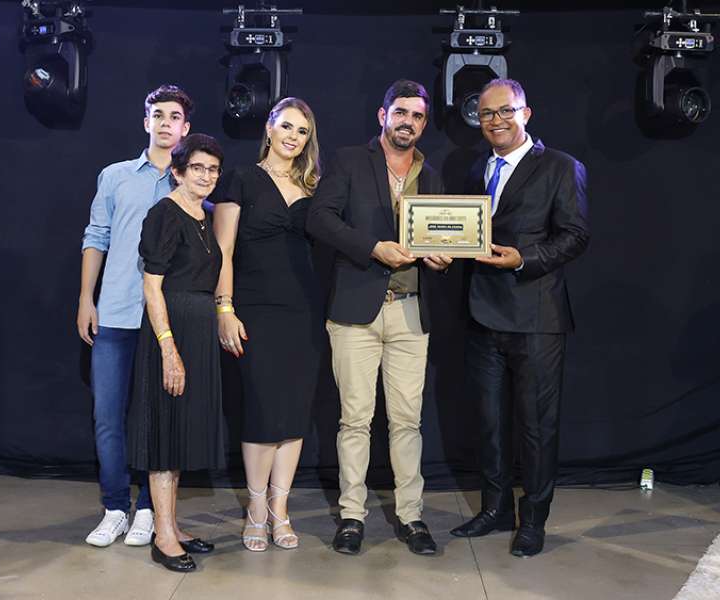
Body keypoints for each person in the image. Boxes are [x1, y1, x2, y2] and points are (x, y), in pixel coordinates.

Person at [306, 80, 452, 556]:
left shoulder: (432, 175)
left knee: (408, 422)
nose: (408, 122)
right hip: (355, 312)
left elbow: (439, 237)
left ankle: (411, 516)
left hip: (411, 312)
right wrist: (372, 247)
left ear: (424, 124)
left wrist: (441, 259)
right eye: (401, 112)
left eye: (417, 116)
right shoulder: (350, 160)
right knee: (355, 420)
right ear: (383, 115)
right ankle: (352, 516)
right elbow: (320, 219)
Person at [449, 79, 589, 557]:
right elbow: (466, 235)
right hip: (482, 315)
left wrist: (523, 259)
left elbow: (575, 236)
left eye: (506, 111)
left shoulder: (561, 167)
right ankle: (494, 510)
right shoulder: (477, 169)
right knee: (489, 424)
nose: (496, 121)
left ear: (526, 113)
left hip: (536, 318)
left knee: (536, 427)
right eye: (487, 114)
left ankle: (533, 520)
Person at [77, 85, 192, 548]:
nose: (165, 123)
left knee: (157, 421)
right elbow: (97, 235)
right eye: (158, 114)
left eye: (174, 116)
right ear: (146, 122)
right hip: (116, 312)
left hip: (166, 320)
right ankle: (114, 508)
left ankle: (148, 509)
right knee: (107, 417)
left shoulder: (190, 182)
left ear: (185, 127)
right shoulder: (116, 176)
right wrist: (86, 298)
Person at [213, 97, 323, 552]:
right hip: (255, 309)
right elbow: (222, 249)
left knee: (294, 412)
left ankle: (281, 510)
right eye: (287, 126)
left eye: (302, 131)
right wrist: (224, 307)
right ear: (270, 128)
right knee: (261, 410)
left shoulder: (314, 187)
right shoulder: (240, 178)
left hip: (305, 312)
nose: (294, 137)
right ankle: (255, 509)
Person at [126, 134, 226, 572]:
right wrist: (168, 348)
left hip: (198, 330)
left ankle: (172, 524)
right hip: (171, 332)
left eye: (213, 169)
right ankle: (162, 536)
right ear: (179, 171)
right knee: (165, 433)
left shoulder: (206, 215)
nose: (206, 176)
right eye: (198, 168)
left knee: (181, 431)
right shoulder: (163, 214)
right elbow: (152, 287)